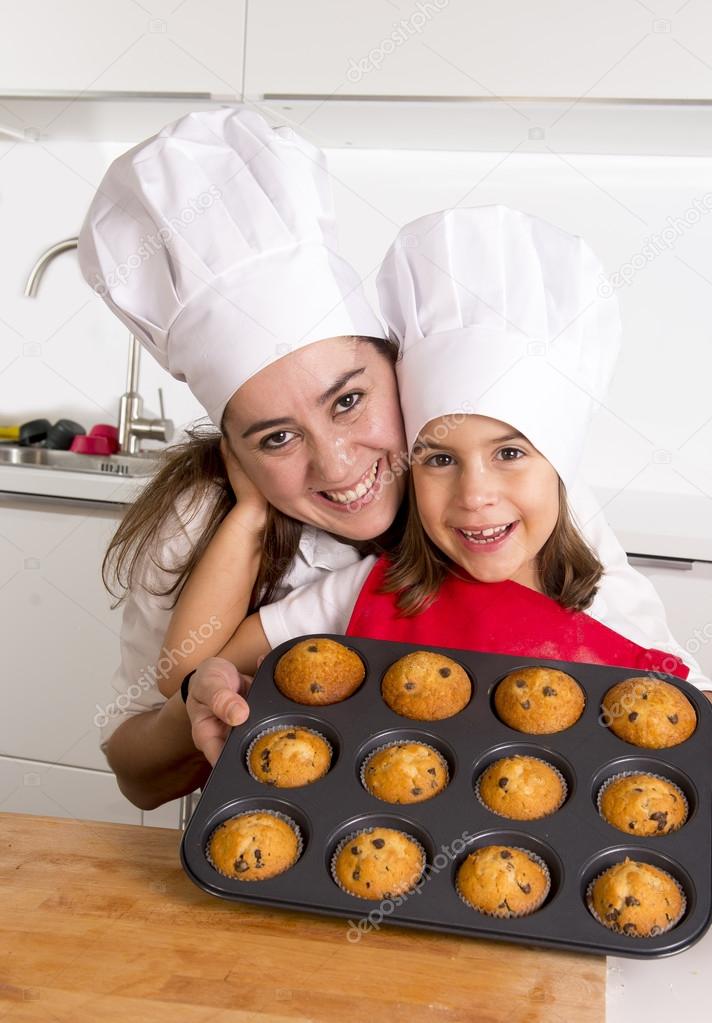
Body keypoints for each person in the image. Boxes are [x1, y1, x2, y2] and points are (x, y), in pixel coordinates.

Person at [78, 107, 703, 810]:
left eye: (347, 400)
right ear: (235, 447)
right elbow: (140, 771)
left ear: (396, 365)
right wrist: (249, 521)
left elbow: (660, 681)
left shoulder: (522, 495)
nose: (338, 464)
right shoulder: (202, 521)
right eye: (275, 437)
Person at [188, 207, 710, 741]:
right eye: (439, 459)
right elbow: (200, 668)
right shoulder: (363, 589)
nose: (476, 494)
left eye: (509, 454)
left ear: (561, 468)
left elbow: (689, 713)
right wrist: (215, 679)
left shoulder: (612, 605)